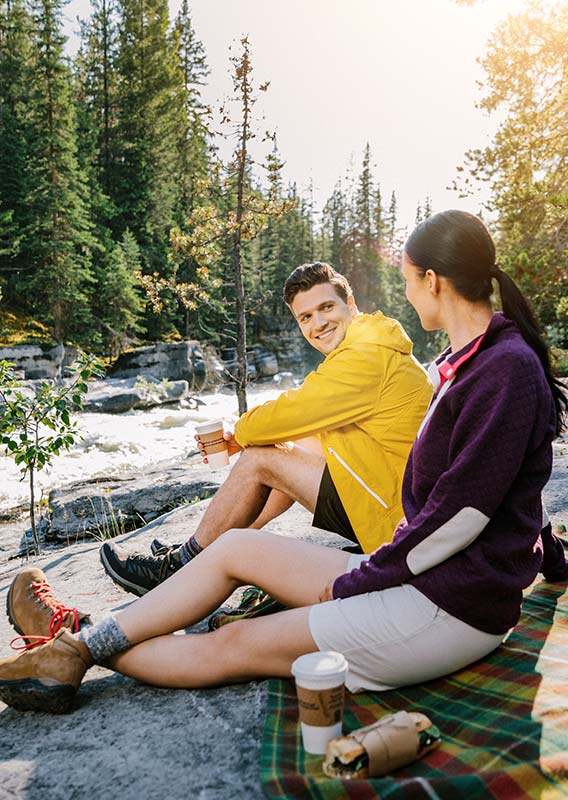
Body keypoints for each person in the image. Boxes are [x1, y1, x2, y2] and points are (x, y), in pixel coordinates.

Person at [1, 209, 567, 715]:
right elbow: (511, 480)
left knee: (233, 646)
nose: (408, 296)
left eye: (406, 282)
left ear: (432, 281)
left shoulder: (502, 369)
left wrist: (362, 580)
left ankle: (71, 640)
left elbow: (462, 513)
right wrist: (552, 552)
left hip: (448, 606)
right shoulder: (471, 362)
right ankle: (86, 639)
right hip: (423, 578)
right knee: (235, 548)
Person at [99, 262, 432, 598]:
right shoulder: (370, 342)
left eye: (326, 307)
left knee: (261, 458)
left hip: (394, 517)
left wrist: (240, 435)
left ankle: (180, 567)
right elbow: (299, 421)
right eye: (305, 317)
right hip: (391, 489)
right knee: (286, 444)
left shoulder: (365, 355)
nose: (318, 323)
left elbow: (293, 409)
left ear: (351, 302)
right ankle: (211, 547)